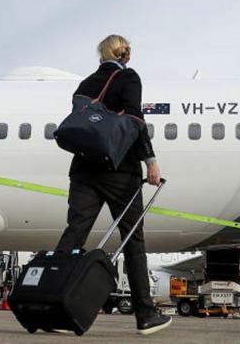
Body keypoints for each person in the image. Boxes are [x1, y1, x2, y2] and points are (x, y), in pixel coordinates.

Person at [53, 35, 171, 336]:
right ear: (126, 55)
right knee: (133, 240)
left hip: (83, 170)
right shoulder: (129, 78)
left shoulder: (85, 85)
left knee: (75, 233)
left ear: (101, 55)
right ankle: (145, 315)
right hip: (120, 172)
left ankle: (54, 305)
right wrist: (151, 161)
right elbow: (135, 121)